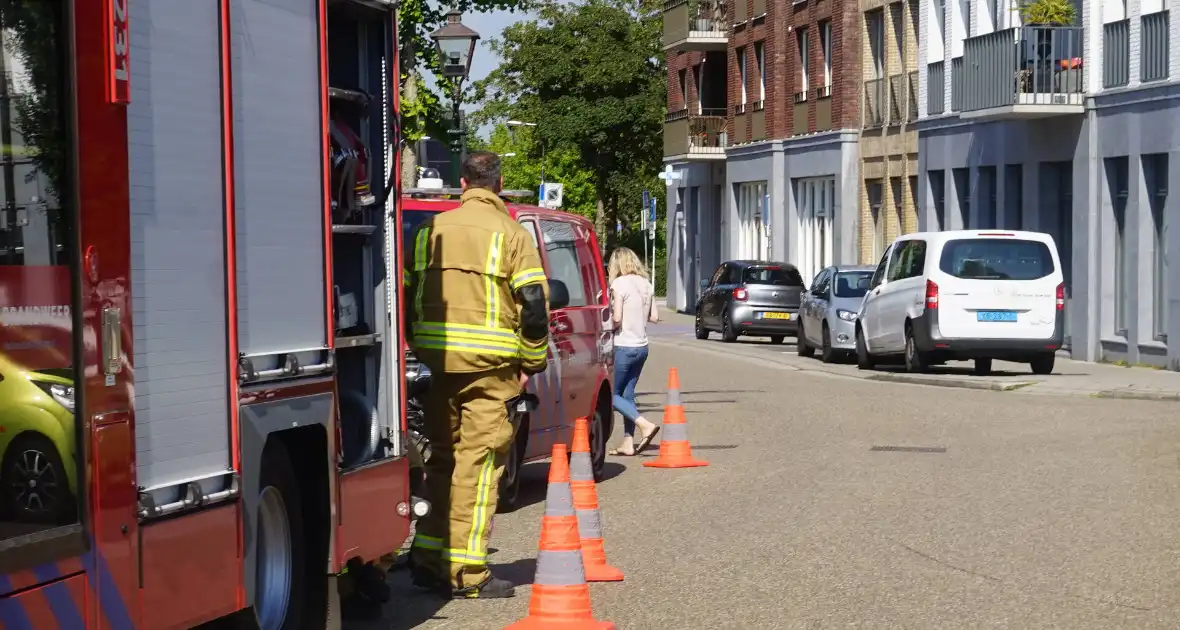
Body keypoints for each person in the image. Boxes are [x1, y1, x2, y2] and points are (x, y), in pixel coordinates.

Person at [405, 152, 550, 599]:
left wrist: (418, 348)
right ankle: (468, 572)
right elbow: (534, 305)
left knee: (442, 461)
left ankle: (429, 558)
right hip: (491, 372)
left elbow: (409, 295)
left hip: (437, 366)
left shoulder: (431, 230)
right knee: (481, 464)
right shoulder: (513, 234)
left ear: (463, 183)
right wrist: (532, 362)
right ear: (500, 183)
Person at [606, 247, 661, 456]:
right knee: (627, 395)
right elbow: (654, 316)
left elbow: (617, 318)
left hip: (624, 345)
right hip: (642, 347)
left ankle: (644, 424)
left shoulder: (619, 284)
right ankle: (628, 443)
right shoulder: (646, 284)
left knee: (611, 394)